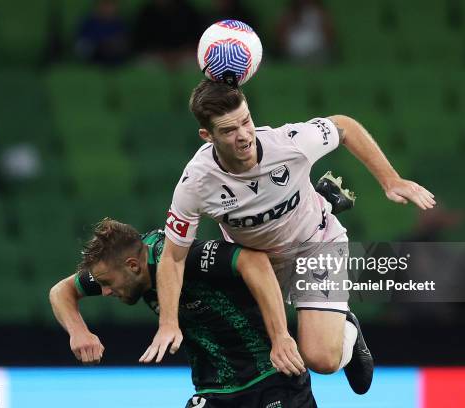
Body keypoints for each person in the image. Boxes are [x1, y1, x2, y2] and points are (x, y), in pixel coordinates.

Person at [142, 79, 436, 395]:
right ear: (207, 135)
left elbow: (344, 126)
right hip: (259, 266)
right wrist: (168, 322)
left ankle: (347, 330)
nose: (243, 136)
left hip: (316, 242)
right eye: (228, 130)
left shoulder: (289, 142)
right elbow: (173, 257)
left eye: (245, 121)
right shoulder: (196, 183)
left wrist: (390, 180)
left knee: (320, 359)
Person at [49, 218, 318, 407]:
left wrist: (281, 336)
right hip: (213, 392)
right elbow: (61, 291)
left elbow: (253, 260)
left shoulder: (180, 256)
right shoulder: (124, 267)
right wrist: (79, 332)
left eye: (107, 283)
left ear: (133, 266)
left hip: (272, 378)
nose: (105, 292)